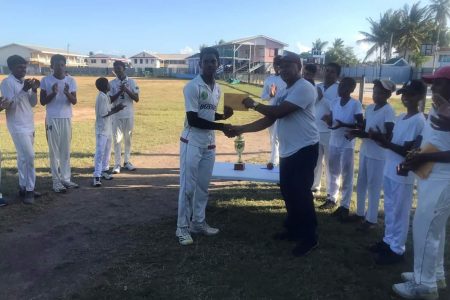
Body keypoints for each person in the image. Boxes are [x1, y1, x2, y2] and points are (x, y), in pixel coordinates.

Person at [228, 53, 320, 257]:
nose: (283, 70)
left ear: (299, 67)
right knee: (288, 191)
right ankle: (294, 230)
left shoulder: (305, 87)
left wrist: (253, 104)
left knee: (301, 193)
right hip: (289, 150)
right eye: (281, 67)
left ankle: (309, 237)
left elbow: (278, 113)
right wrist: (241, 128)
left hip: (304, 148)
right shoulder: (284, 91)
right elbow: (269, 119)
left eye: (288, 66)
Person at [392, 67, 450, 299]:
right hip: (431, 175)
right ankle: (434, 275)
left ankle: (424, 286)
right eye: (432, 84)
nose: (432, 88)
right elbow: (435, 139)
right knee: (434, 228)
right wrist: (416, 156)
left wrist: (425, 157)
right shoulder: (440, 107)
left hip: (442, 179)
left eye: (438, 83)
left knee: (425, 229)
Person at [176, 47, 234, 246]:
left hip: (209, 143)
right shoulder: (192, 87)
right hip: (191, 142)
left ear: (218, 64)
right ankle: (182, 228)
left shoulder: (217, 89)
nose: (210, 64)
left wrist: (223, 117)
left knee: (202, 187)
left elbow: (207, 115)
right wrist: (222, 126)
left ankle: (198, 223)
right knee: (188, 187)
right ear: (200, 64)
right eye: (206, 61)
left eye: (213, 61)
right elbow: (193, 120)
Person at [368, 80, 426, 265]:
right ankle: (388, 241)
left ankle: (397, 249)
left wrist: (384, 142)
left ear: (420, 97)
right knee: (390, 208)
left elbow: (407, 151)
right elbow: (392, 141)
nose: (406, 98)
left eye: (411, 94)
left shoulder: (419, 121)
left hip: (403, 173)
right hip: (390, 169)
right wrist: (379, 138)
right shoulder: (401, 117)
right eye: (404, 94)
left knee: (400, 211)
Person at [347, 79, 396, 231]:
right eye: (374, 91)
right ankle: (360, 213)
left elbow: (388, 135)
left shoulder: (388, 110)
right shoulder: (369, 107)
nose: (376, 95)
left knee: (374, 187)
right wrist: (356, 132)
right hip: (365, 151)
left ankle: (372, 219)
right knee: (361, 183)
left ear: (388, 94)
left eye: (380, 92)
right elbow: (365, 127)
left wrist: (368, 134)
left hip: (378, 154)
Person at [318, 77, 363, 221]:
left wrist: (343, 124)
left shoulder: (355, 104)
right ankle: (332, 198)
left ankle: (345, 206)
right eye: (340, 85)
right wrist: (327, 120)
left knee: (346, 174)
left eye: (344, 86)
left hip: (347, 144)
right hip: (334, 141)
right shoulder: (334, 102)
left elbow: (360, 126)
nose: (340, 88)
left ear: (351, 89)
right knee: (333, 171)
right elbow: (332, 120)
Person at [0, 55, 41, 204]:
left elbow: (32, 103)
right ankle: (30, 190)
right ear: (11, 68)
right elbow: (9, 105)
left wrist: (34, 90)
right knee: (29, 157)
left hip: (29, 124)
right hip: (17, 125)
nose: (23, 70)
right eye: (20, 67)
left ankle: (23, 187)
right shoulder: (6, 83)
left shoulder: (25, 82)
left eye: (24, 67)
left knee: (23, 158)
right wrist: (24, 90)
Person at [40, 54, 78, 193]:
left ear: (65, 66)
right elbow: (43, 102)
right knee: (54, 151)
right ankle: (56, 181)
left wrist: (67, 93)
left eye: (62, 65)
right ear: (52, 66)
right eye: (57, 65)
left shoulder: (71, 80)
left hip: (66, 118)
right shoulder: (46, 80)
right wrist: (54, 93)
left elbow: (74, 101)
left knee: (65, 149)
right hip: (52, 118)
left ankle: (66, 179)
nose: (60, 67)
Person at [312, 63, 340, 196]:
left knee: (331, 164)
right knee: (315, 161)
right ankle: (314, 187)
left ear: (337, 75)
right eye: (326, 70)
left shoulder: (339, 89)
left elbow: (338, 109)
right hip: (315, 130)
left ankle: (332, 193)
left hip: (330, 132)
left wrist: (323, 98)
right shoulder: (317, 87)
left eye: (332, 72)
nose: (328, 73)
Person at [92, 77, 124, 187]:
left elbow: (111, 99)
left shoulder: (105, 96)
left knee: (107, 150)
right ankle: (96, 176)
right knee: (100, 152)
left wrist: (120, 91)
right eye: (108, 84)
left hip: (108, 128)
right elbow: (103, 114)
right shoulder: (101, 97)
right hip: (102, 129)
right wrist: (117, 109)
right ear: (105, 86)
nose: (110, 85)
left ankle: (104, 170)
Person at [109, 61, 140, 174]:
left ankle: (127, 162)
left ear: (124, 69)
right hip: (116, 116)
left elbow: (136, 99)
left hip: (129, 115)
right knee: (117, 140)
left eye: (119, 68)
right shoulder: (111, 83)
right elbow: (110, 100)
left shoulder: (132, 82)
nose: (117, 70)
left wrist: (126, 90)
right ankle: (117, 164)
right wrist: (119, 91)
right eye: (115, 68)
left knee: (128, 139)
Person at [260, 55, 286, 169]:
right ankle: (275, 159)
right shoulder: (269, 80)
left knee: (277, 137)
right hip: (270, 112)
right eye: (276, 64)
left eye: (280, 64)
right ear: (274, 65)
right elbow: (263, 97)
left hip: (283, 112)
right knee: (272, 137)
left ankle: (274, 162)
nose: (277, 67)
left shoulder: (286, 79)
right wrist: (270, 95)